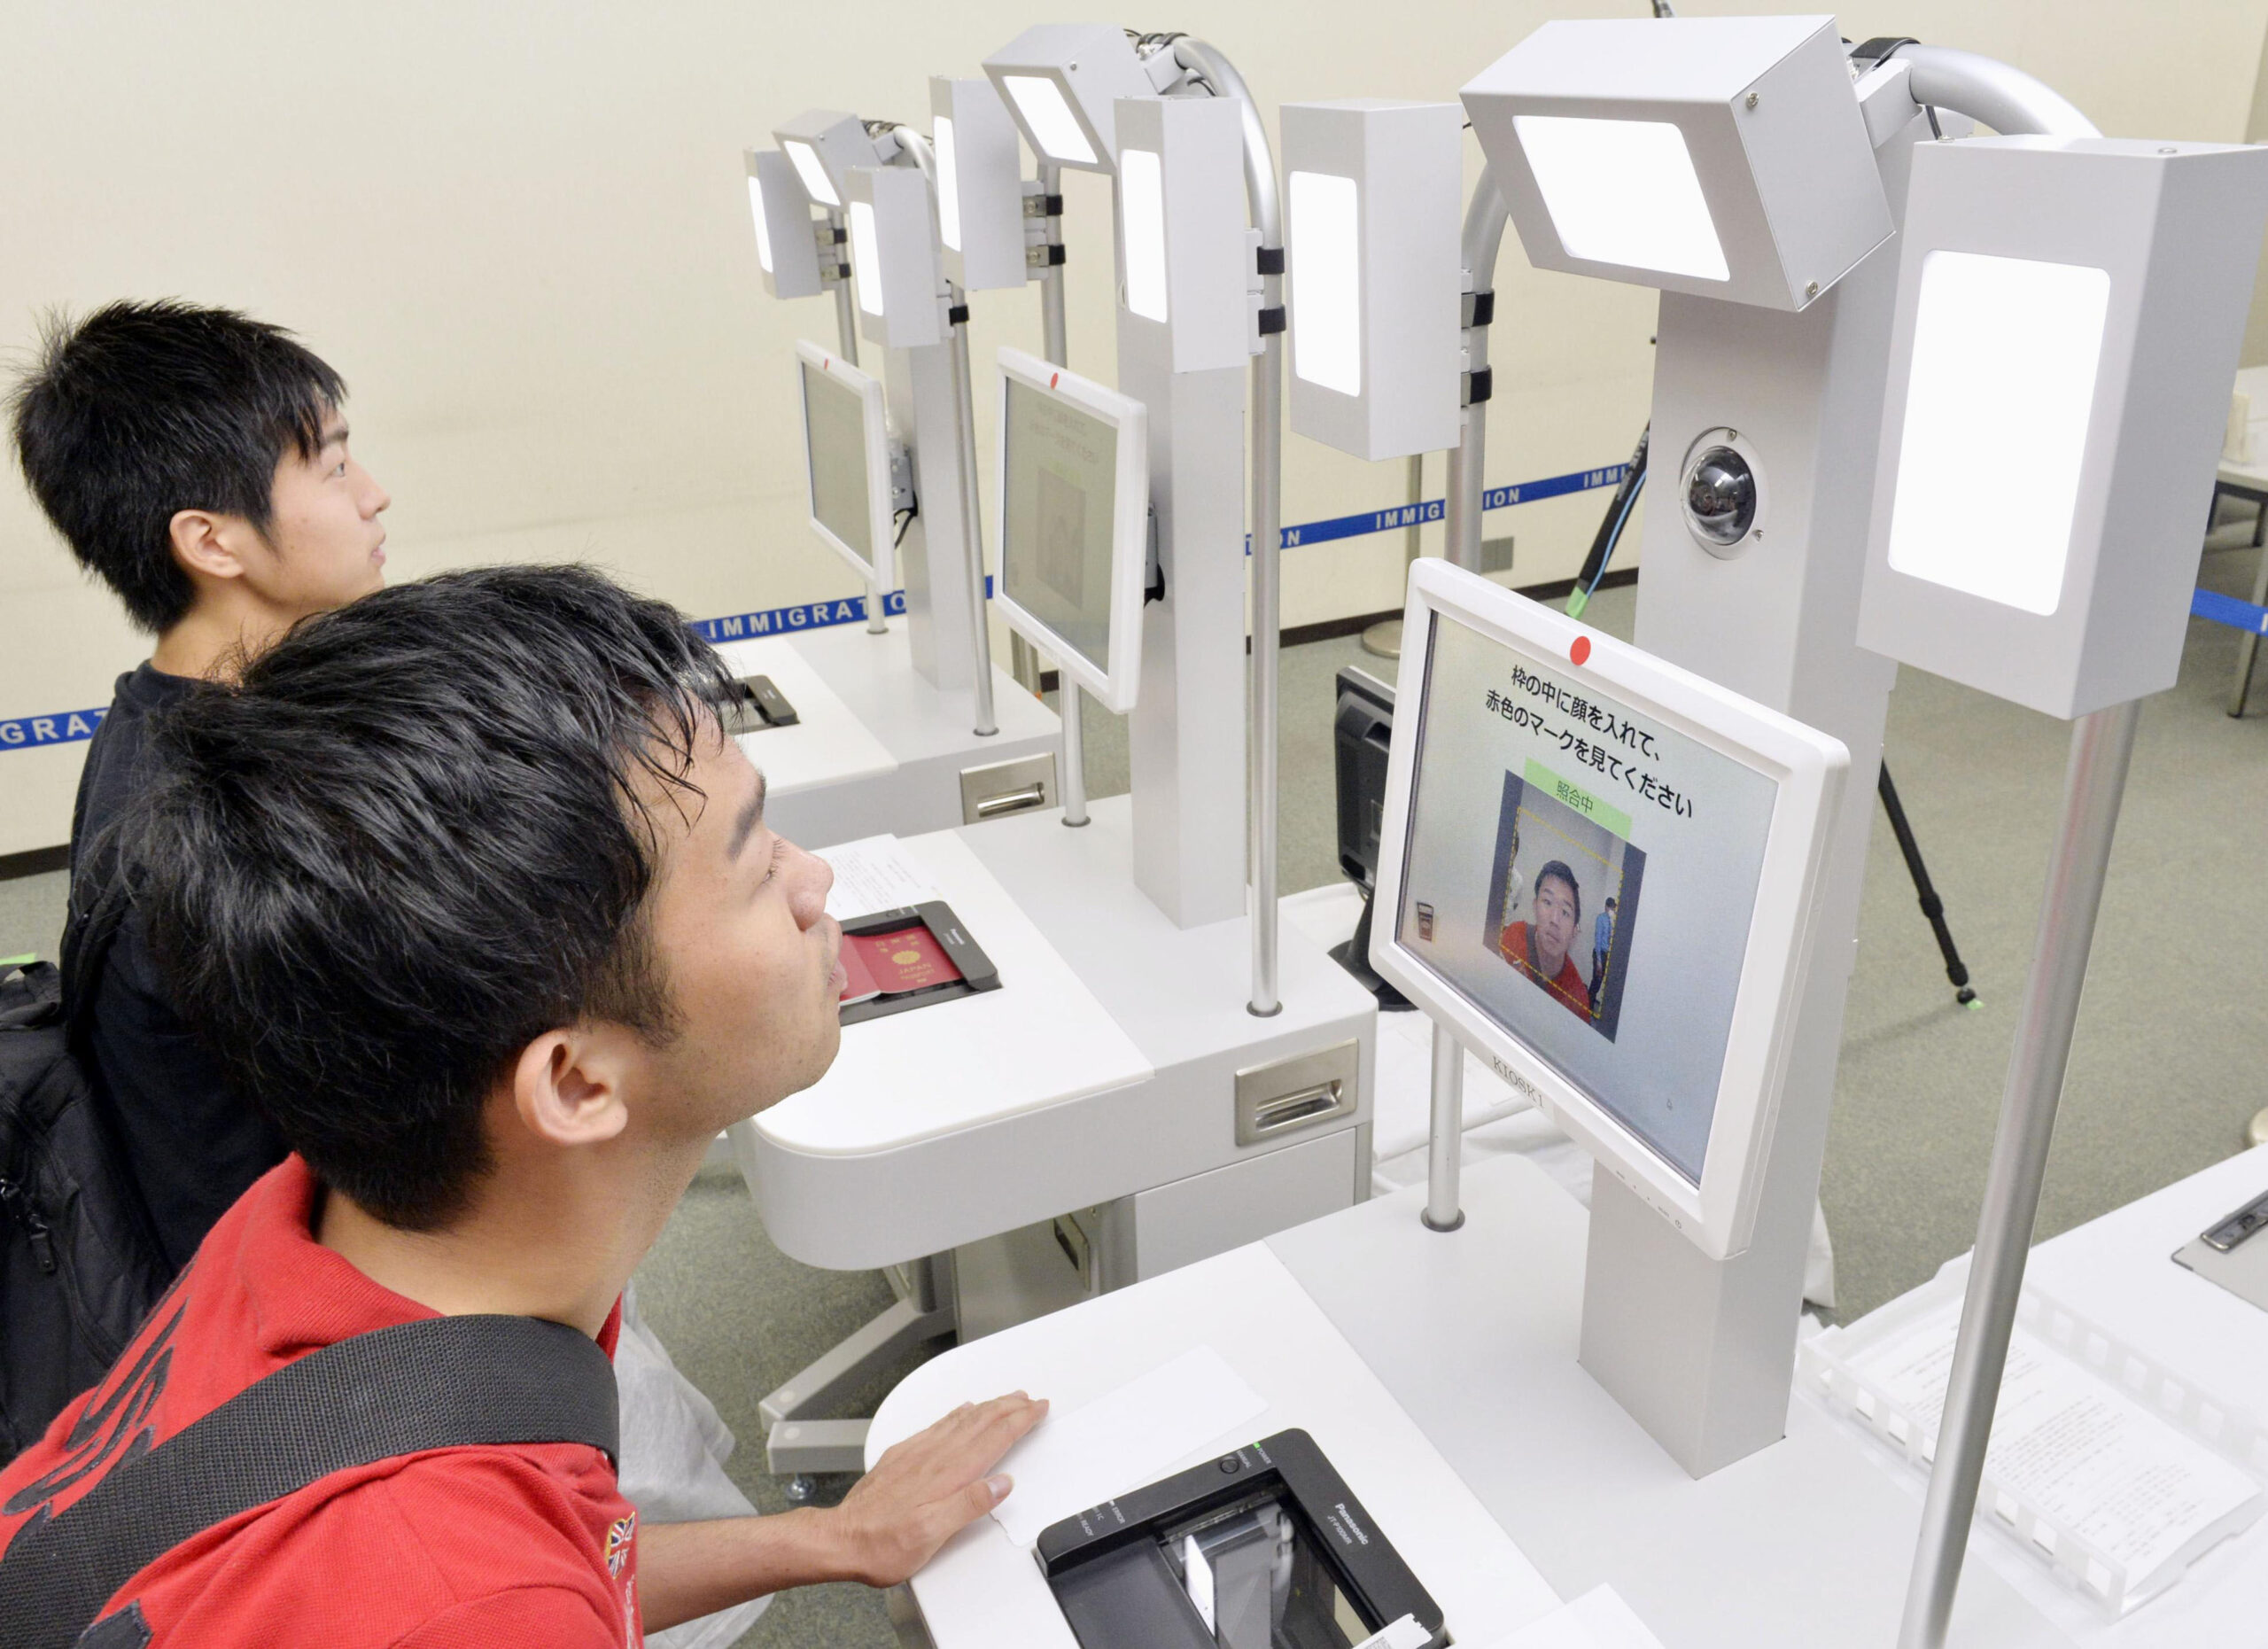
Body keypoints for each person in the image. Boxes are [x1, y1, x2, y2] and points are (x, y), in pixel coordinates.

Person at [0, 566, 1046, 1643]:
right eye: (752, 865)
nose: (813, 881)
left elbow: (561, 1560)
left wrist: (830, 1539)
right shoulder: (461, 1596)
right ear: (577, 1082)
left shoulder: (300, 1226)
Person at [9, 299, 391, 1273]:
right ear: (213, 543)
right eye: (335, 466)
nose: (373, 495)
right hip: (304, 1312)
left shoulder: (170, 717)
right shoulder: (220, 823)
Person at [1499, 860, 1590, 1020]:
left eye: (1565, 912)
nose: (1555, 919)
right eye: (1547, 902)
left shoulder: (1577, 1001)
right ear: (1535, 906)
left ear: (1574, 931)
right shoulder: (1514, 935)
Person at [1589, 895, 1619, 1010]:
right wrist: (1599, 961)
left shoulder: (1612, 921)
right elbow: (1598, 939)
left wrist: (1612, 921)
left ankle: (1589, 1002)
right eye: (1611, 908)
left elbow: (1612, 937)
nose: (1612, 910)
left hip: (1607, 954)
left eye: (1614, 908)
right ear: (1606, 907)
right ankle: (1589, 1005)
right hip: (1599, 953)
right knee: (1596, 980)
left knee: (1600, 981)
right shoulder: (1600, 918)